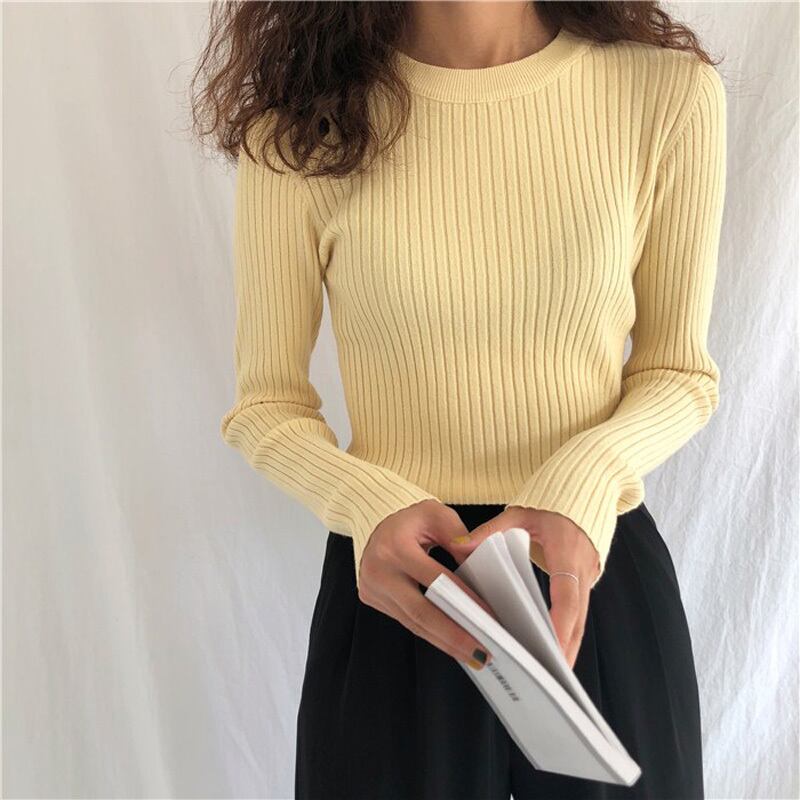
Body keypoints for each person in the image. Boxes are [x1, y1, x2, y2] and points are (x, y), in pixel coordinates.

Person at [193, 1, 727, 797]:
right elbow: (266, 403)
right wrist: (367, 502)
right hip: (398, 591)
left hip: (589, 578)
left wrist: (579, 484)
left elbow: (679, 371)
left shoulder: (666, 93)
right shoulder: (302, 123)